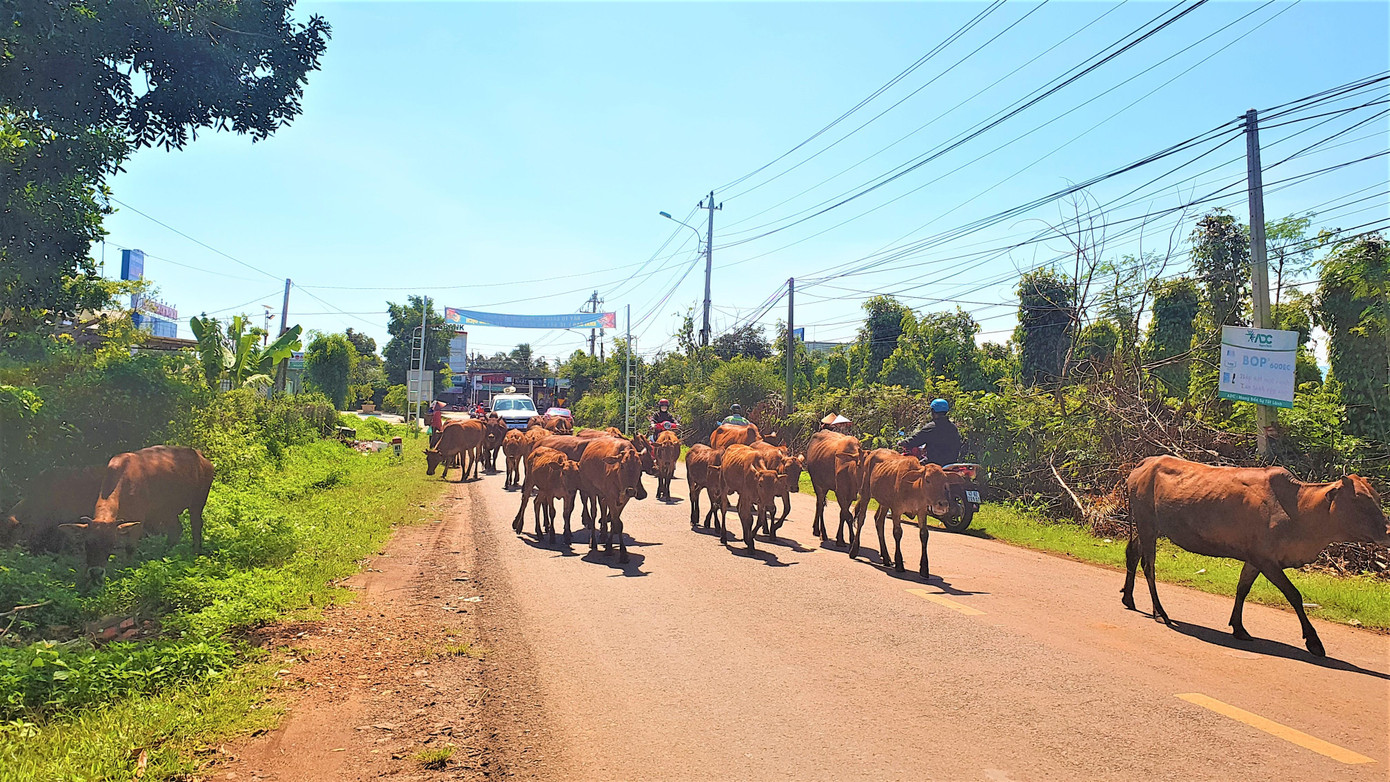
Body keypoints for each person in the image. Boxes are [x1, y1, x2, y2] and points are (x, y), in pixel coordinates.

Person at [898, 398, 962, 466]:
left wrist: (904, 443)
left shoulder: (931, 427)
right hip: (951, 463)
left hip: (934, 463)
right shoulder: (953, 427)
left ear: (932, 411)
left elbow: (916, 440)